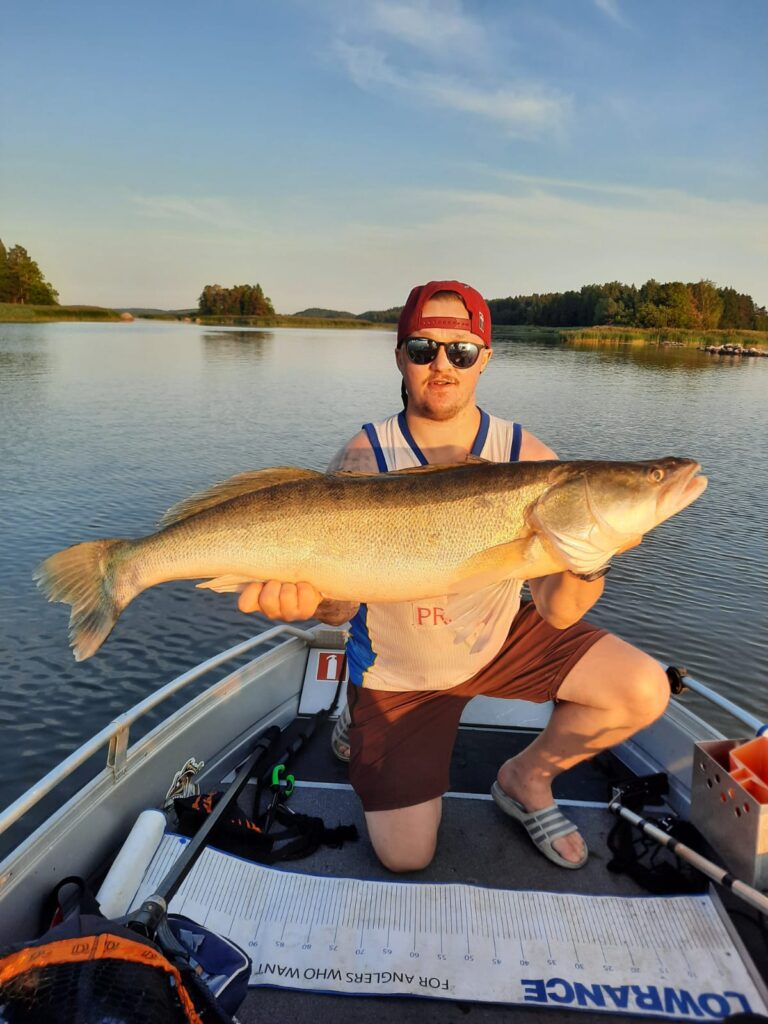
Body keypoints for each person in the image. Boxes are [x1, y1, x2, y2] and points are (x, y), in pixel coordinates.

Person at [237, 280, 670, 872]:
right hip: (400, 670)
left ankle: (526, 779)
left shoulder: (528, 456)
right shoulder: (363, 457)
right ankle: (358, 710)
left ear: (484, 358)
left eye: (461, 351)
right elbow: (339, 609)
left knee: (644, 687)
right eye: (423, 349)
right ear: (400, 357)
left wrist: (593, 555)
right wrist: (310, 601)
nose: (442, 365)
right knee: (405, 856)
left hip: (495, 641)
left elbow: (559, 611)